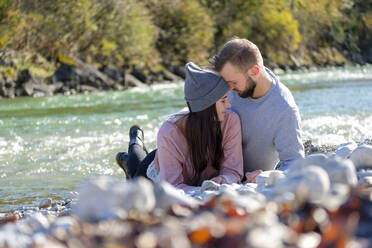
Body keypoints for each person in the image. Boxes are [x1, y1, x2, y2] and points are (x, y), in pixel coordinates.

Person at [116, 62, 244, 192]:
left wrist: (222, 181)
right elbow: (172, 187)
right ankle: (134, 144)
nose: (228, 105)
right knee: (134, 182)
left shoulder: (230, 121)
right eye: (223, 100)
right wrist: (204, 191)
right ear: (206, 106)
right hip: (157, 173)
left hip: (173, 159)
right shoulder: (169, 132)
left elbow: (233, 171)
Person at [209, 38, 305, 173]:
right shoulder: (228, 86)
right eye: (226, 82)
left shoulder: (284, 109)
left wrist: (265, 178)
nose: (228, 89)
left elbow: (294, 163)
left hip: (246, 183)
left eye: (234, 82)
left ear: (254, 71)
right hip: (211, 175)